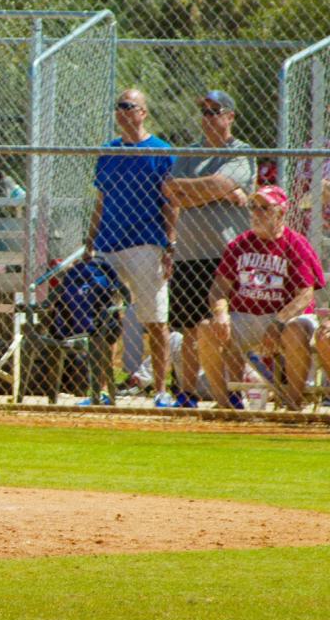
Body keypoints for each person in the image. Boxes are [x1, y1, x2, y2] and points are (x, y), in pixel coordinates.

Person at [85, 88, 177, 406]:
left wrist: (170, 244)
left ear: (143, 112)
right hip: (109, 242)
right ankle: (102, 391)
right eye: (119, 107)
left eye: (129, 106)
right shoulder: (109, 151)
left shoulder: (161, 151)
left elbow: (170, 202)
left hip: (145, 242)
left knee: (155, 319)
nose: (123, 112)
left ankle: (162, 390)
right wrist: (90, 242)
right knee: (102, 318)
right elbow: (101, 200)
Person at [161, 89, 253, 406]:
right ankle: (186, 392)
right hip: (189, 250)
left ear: (230, 116)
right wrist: (217, 191)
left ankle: (231, 391)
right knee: (189, 328)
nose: (208, 117)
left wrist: (201, 191)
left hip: (224, 253)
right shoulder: (189, 153)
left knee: (226, 328)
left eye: (215, 111)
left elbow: (219, 183)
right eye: (205, 111)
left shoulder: (241, 152)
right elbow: (172, 191)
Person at [196, 185, 325, 412]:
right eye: (253, 207)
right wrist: (221, 313)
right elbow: (219, 288)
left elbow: (305, 295)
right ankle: (224, 406)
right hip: (245, 316)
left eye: (265, 208)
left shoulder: (295, 244)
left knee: (295, 331)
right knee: (207, 329)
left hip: (286, 319)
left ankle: (293, 404)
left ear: (281, 212)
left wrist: (278, 323)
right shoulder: (239, 244)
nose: (257, 213)